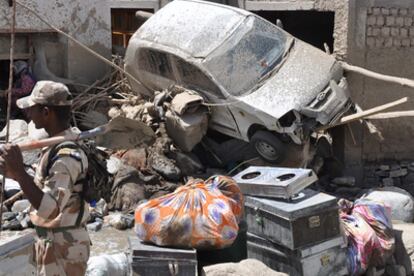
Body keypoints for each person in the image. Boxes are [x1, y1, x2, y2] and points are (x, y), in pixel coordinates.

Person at [0, 80, 90, 275]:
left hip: (64, 247)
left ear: (46, 112)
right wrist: (13, 173)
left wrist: (21, 173)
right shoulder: (54, 147)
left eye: (32, 109)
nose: (29, 114)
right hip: (52, 241)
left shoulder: (66, 155)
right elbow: (45, 190)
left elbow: (49, 209)